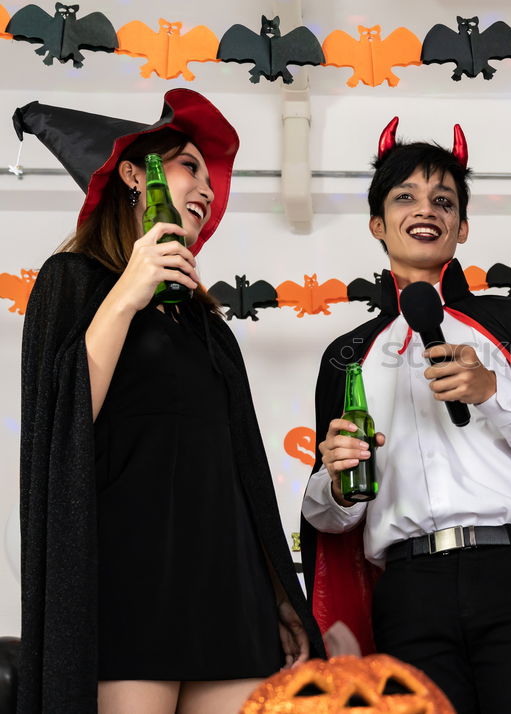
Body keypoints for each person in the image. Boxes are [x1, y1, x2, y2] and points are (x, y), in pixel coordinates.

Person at [300, 118, 511, 714]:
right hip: (407, 592)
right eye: (404, 196)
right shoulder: (347, 356)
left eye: (443, 200)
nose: (424, 209)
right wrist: (336, 481)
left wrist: (491, 392)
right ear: (377, 223)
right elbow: (329, 522)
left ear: (461, 226)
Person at [16, 89, 324, 714]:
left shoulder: (208, 325)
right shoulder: (72, 282)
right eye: (191, 165)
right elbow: (63, 418)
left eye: (211, 178)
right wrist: (130, 291)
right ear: (135, 172)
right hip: (128, 581)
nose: (208, 189)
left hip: (227, 586)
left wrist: (277, 596)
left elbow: (240, 472)